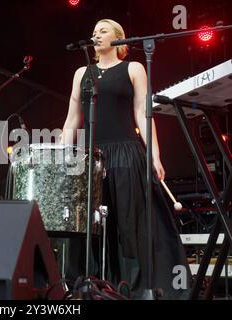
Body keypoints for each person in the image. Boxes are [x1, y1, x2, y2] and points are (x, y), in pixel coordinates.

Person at [61, 19, 190, 299]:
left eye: (103, 30)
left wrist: (154, 155)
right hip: (91, 157)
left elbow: (144, 115)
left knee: (128, 222)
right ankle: (93, 284)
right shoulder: (81, 72)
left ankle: (134, 287)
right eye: (94, 31)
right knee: (92, 225)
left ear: (119, 38)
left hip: (126, 152)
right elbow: (72, 120)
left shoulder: (133, 68)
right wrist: (62, 157)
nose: (96, 34)